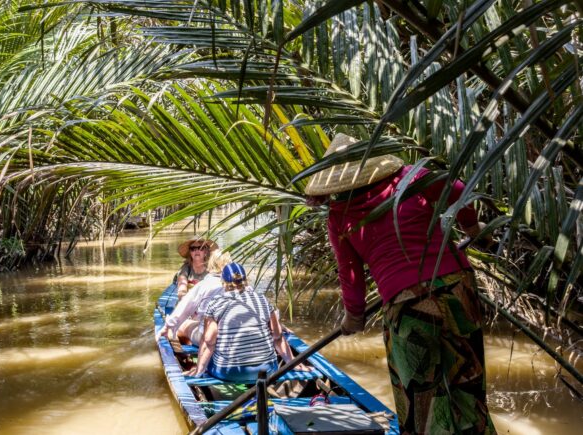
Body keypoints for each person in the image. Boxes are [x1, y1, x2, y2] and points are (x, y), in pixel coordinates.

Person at [303, 133, 495, 434]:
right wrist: (470, 226)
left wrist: (354, 317)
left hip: (408, 307)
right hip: (457, 288)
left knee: (420, 404)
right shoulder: (410, 178)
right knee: (468, 387)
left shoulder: (339, 215)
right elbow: (457, 189)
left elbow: (350, 275)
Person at [185, 263, 306, 383]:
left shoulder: (216, 303)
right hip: (267, 370)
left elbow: (209, 341)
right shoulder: (262, 299)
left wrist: (199, 371)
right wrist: (292, 362)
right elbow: (277, 335)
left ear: (223, 282)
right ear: (245, 281)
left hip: (228, 372)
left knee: (210, 352)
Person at [159, 249, 234, 345]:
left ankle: (182, 342)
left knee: (183, 325)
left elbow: (183, 309)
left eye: (201, 248)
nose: (197, 251)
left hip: (211, 336)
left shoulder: (204, 284)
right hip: (234, 334)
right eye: (193, 248)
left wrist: (167, 327)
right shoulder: (240, 284)